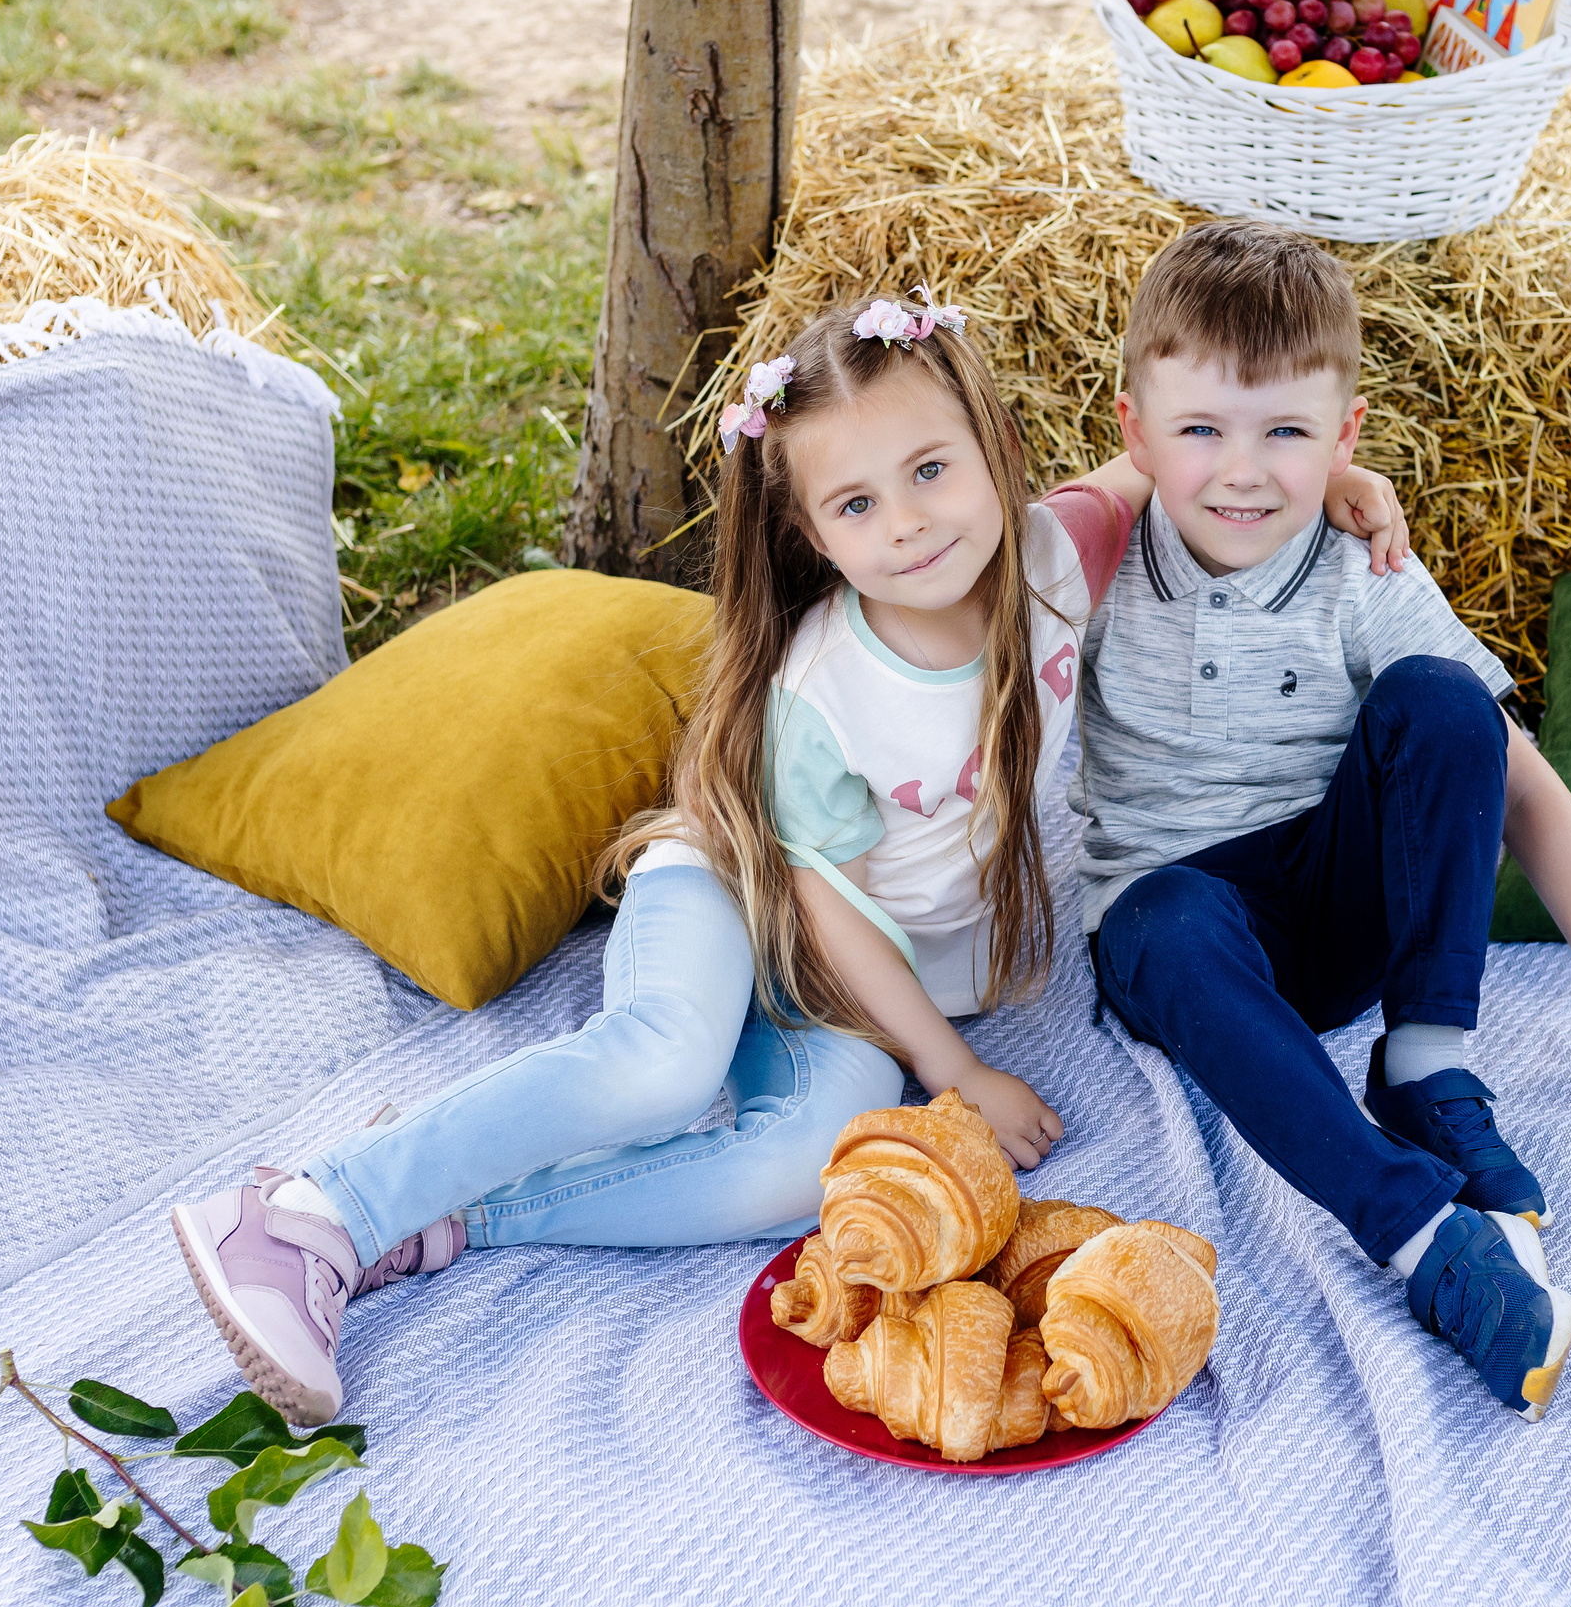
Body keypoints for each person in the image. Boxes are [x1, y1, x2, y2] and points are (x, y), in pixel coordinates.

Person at [170, 285, 1404, 1426]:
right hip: (742, 890)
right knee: (663, 1063)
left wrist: (1338, 477)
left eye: (931, 471)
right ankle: (307, 1210)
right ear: (813, 532)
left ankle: (447, 1213)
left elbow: (1151, 471)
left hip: (855, 980)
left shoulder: (1053, 559)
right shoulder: (823, 686)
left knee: (795, 1168)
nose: (910, 523)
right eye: (857, 504)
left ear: (994, 452)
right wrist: (953, 1067)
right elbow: (819, 896)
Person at [1073, 219, 1571, 1424]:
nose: (1243, 473)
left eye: (1287, 435)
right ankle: (1420, 1234)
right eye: (1200, 429)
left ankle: (1423, 1064)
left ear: (1346, 436)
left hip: (1333, 908)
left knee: (1446, 699)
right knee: (1158, 917)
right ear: (1134, 431)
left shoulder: (1362, 571)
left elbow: (1512, 781)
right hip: (1184, 935)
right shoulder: (1095, 565)